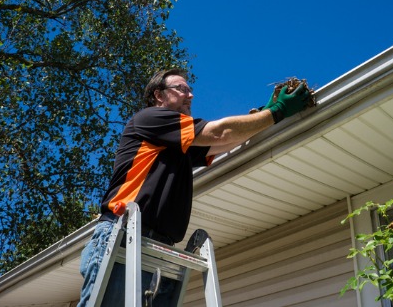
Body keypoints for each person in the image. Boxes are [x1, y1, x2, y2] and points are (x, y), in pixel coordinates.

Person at [77, 68, 311, 306]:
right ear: (159, 95)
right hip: (123, 236)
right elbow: (219, 133)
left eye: (190, 90)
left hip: (157, 247)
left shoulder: (179, 145)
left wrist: (264, 115)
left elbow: (226, 142)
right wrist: (277, 112)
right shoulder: (150, 119)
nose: (190, 95)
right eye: (181, 89)